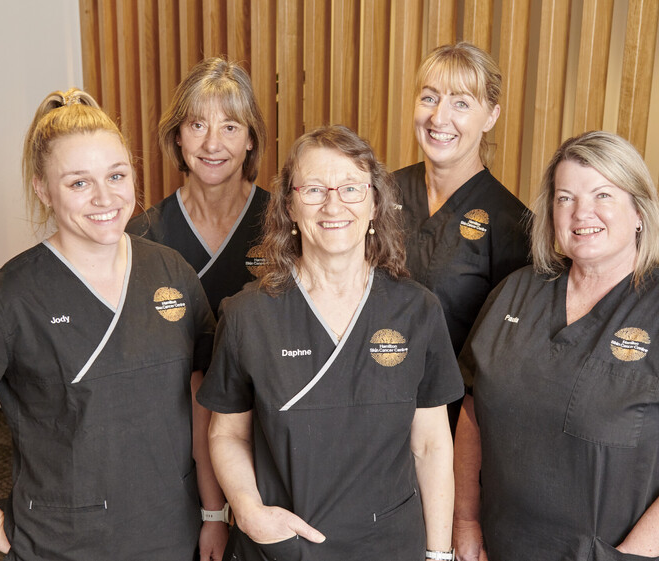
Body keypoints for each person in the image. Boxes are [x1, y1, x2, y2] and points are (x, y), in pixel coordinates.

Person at [0, 89, 227, 561]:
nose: (105, 197)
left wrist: (212, 513)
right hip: (65, 542)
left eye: (116, 175)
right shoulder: (5, 299)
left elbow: (200, 400)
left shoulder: (171, 271)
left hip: (171, 525)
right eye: (78, 183)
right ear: (42, 188)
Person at [453, 131, 659, 561]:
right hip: (498, 544)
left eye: (603, 195)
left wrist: (630, 556)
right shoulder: (515, 293)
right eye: (565, 198)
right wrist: (465, 520)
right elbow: (471, 409)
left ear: (639, 211)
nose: (581, 213)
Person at [197, 125, 463, 561]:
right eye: (315, 189)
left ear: (375, 202)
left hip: (388, 547)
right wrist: (247, 511)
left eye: (352, 188)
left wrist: (439, 556)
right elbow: (226, 433)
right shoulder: (248, 315)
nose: (333, 204)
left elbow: (431, 445)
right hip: (282, 547)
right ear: (290, 206)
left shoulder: (417, 311)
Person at [394, 42, 531, 430]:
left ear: (491, 116)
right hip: (366, 407)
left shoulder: (513, 226)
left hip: (452, 425)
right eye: (429, 98)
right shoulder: (378, 192)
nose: (439, 117)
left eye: (461, 103)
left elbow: (506, 359)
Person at [127, 56, 269, 317]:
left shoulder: (284, 221)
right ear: (178, 135)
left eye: (229, 127)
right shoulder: (143, 234)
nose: (212, 145)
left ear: (251, 138)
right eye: (198, 125)